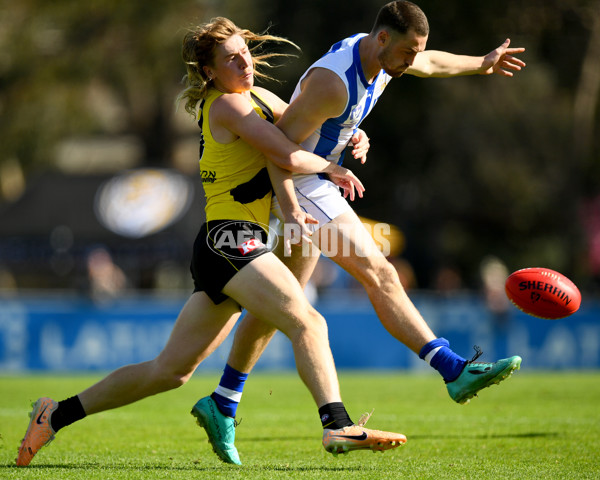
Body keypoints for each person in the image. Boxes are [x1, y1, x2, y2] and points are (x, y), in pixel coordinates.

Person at [16, 17, 407, 468]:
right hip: (230, 239)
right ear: (209, 72)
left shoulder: (258, 96)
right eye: (231, 59)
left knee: (170, 372)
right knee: (307, 321)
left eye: (245, 53)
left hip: (234, 246)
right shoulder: (226, 106)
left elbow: (309, 125)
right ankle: (336, 423)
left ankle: (55, 414)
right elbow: (284, 150)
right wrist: (330, 168)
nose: (244, 63)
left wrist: (352, 132)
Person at [192, 0, 525, 465]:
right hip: (305, 186)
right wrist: (290, 204)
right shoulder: (332, 83)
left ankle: (223, 400)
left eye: (416, 52)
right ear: (383, 39)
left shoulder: (385, 60)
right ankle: (452, 369)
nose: (413, 60)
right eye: (408, 50)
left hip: (311, 185)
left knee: (277, 307)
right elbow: (280, 147)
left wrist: (481, 64)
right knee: (378, 271)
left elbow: (429, 62)